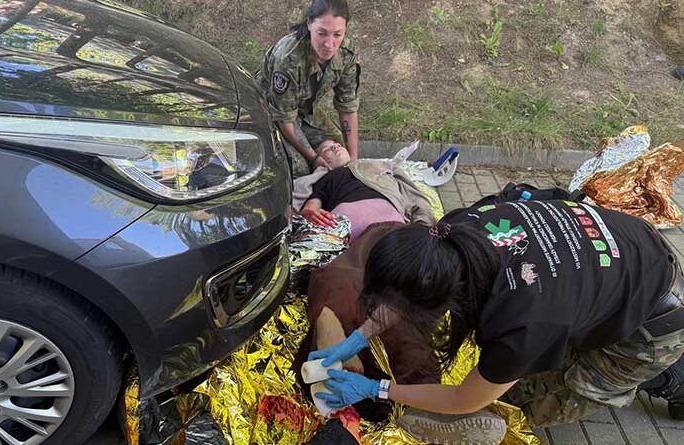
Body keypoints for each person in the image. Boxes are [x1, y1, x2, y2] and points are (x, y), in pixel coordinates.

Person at [307, 199, 684, 443]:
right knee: (549, 352)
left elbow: (462, 399)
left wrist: (377, 390)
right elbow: (405, 293)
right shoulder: (455, 230)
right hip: (626, 251)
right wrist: (357, 337)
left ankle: (669, 378)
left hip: (655, 321)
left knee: (528, 400)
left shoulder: (524, 323)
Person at [257, 0, 360, 176]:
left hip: (305, 110)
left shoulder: (346, 53)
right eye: (322, 34)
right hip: (269, 112)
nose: (329, 44)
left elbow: (347, 107)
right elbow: (284, 118)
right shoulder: (288, 59)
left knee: (340, 156)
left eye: (337, 34)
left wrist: (354, 161)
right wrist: (313, 157)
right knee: (300, 169)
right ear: (309, 24)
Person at [296, 140, 435, 242]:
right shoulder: (326, 177)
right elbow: (312, 205)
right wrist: (309, 213)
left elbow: (415, 197)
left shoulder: (379, 165)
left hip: (388, 220)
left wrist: (424, 227)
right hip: (345, 230)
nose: (335, 146)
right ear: (321, 160)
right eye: (327, 149)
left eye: (337, 144)